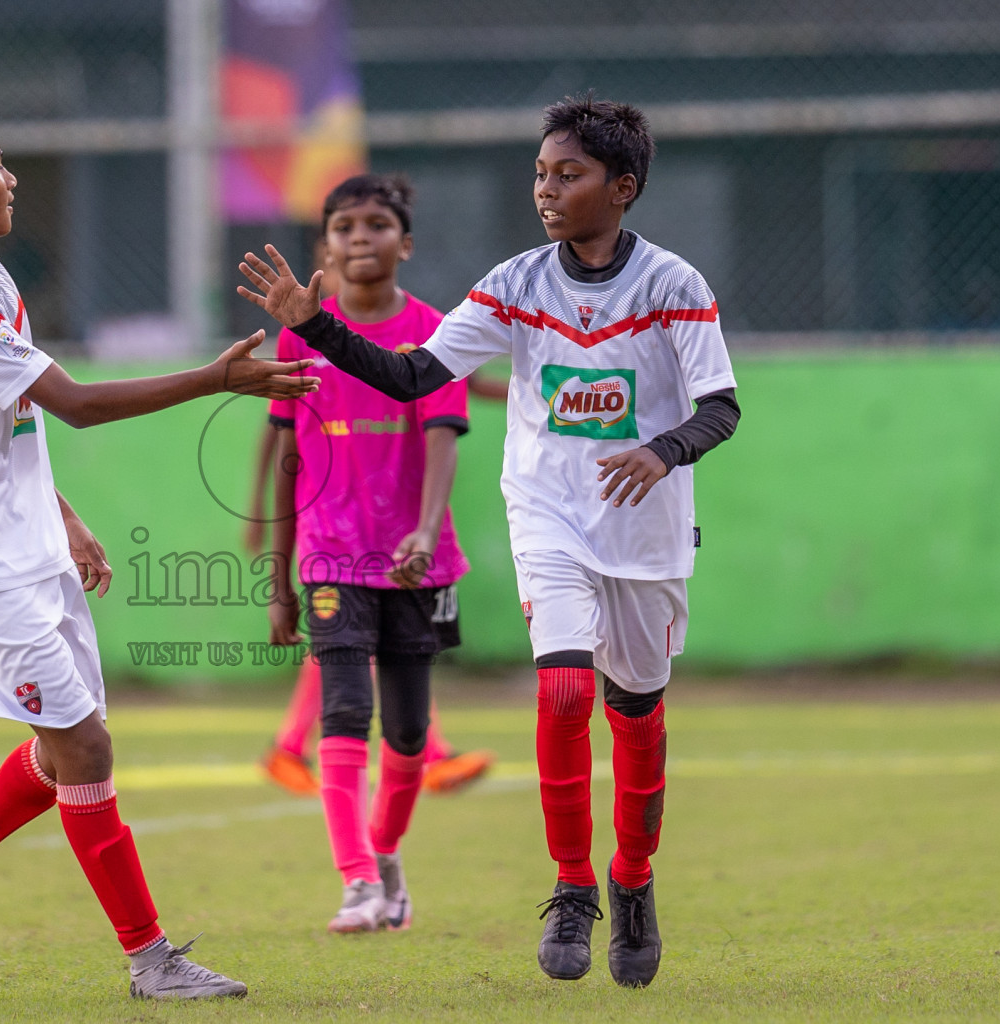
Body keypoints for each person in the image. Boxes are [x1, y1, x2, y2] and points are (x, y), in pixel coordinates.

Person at [238, 96, 740, 987]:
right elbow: (410, 375)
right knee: (561, 692)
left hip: (649, 533)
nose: (546, 189)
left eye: (569, 174)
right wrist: (313, 324)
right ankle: (575, 886)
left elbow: (720, 408)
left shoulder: (673, 285)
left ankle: (633, 880)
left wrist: (662, 454)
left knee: (639, 718)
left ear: (622, 189)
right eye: (541, 173)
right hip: (548, 514)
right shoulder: (514, 283)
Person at [0, 103, 317, 1000]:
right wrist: (215, 379)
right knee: (84, 745)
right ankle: (151, 961)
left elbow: (14, 416)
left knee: (65, 750)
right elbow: (75, 403)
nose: (12, 178)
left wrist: (64, 514)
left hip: (28, 543)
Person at [266, 173, 474, 934]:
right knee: (346, 711)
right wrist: (280, 579)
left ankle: (384, 853)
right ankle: (356, 880)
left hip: (418, 562)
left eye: (377, 224)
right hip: (328, 557)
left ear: (405, 243)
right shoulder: (298, 339)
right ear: (324, 245)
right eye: (344, 227)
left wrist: (424, 530)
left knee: (410, 737)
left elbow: (444, 436)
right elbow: (289, 461)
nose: (360, 238)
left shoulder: (434, 331)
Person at [250, 233, 497, 799]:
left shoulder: (405, 332)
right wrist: (262, 513)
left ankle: (307, 746)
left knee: (372, 646)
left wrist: (525, 393)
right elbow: (279, 434)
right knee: (348, 647)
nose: (332, 272)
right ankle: (401, 755)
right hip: (331, 526)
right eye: (327, 260)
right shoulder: (305, 339)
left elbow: (445, 379)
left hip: (386, 521)